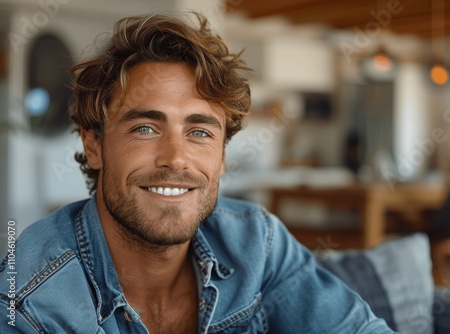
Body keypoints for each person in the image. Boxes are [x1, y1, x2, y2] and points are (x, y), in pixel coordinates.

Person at [0, 13, 396, 333]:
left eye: (200, 132)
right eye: (145, 128)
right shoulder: (28, 300)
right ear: (93, 144)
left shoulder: (257, 244)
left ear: (222, 156)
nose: (177, 159)